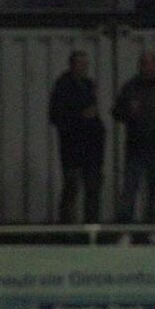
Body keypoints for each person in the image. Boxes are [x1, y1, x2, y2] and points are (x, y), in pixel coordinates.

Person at [113, 50, 155, 225]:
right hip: (136, 147)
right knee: (131, 188)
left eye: (149, 64)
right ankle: (126, 223)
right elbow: (116, 112)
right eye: (143, 64)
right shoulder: (130, 87)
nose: (146, 68)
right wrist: (129, 111)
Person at [48, 51, 106, 223]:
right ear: (72, 65)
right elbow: (56, 116)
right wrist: (81, 116)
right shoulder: (63, 86)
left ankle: (90, 229)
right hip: (72, 147)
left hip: (90, 149)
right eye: (79, 64)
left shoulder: (88, 85)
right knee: (71, 189)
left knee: (91, 189)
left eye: (85, 64)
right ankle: (68, 229)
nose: (83, 68)